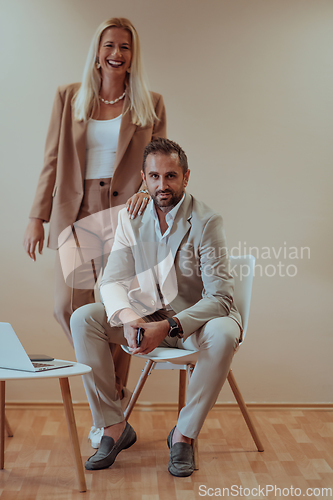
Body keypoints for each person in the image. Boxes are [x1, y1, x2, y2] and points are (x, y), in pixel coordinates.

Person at [22, 17, 166, 443]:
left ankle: (111, 412)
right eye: (109, 45)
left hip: (127, 217)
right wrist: (37, 215)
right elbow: (52, 159)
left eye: (124, 47)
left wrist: (153, 206)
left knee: (122, 311)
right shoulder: (70, 97)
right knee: (67, 307)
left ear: (132, 55)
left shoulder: (150, 103)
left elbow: (157, 163)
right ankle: (110, 399)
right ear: (98, 50)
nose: (116, 54)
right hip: (77, 212)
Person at [70, 138, 242, 477]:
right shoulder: (131, 218)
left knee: (224, 333)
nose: (162, 185)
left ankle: (183, 436)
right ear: (144, 178)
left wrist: (169, 325)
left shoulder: (208, 221)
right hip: (146, 319)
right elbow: (111, 281)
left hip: (195, 327)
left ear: (186, 177)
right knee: (84, 318)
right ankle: (113, 427)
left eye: (171, 176)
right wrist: (131, 318)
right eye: (154, 177)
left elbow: (221, 297)